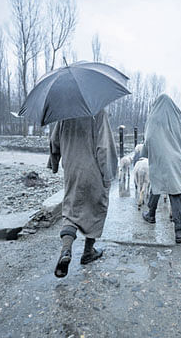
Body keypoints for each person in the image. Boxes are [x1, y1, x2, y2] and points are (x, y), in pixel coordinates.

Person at [48, 109, 117, 278]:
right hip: (92, 170)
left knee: (71, 211)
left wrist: (54, 163)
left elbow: (54, 140)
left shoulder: (65, 111)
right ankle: (88, 252)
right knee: (95, 207)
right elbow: (104, 146)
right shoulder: (97, 111)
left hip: (71, 170)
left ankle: (66, 250)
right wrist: (107, 175)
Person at [141, 94, 181, 243]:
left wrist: (149, 153)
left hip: (159, 158)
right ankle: (178, 230)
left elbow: (148, 138)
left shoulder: (153, 118)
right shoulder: (179, 117)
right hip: (175, 158)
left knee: (156, 185)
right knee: (175, 191)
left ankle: (151, 214)